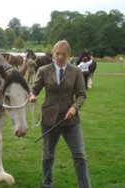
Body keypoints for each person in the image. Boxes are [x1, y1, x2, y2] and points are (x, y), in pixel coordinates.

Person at [29, 40, 91, 188]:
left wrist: (75, 107)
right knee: (48, 156)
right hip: (49, 119)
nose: (60, 57)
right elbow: (35, 89)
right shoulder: (44, 70)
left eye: (64, 54)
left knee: (80, 156)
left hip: (70, 121)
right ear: (53, 54)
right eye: (57, 53)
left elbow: (82, 94)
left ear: (68, 55)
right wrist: (32, 95)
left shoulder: (76, 71)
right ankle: (47, 184)